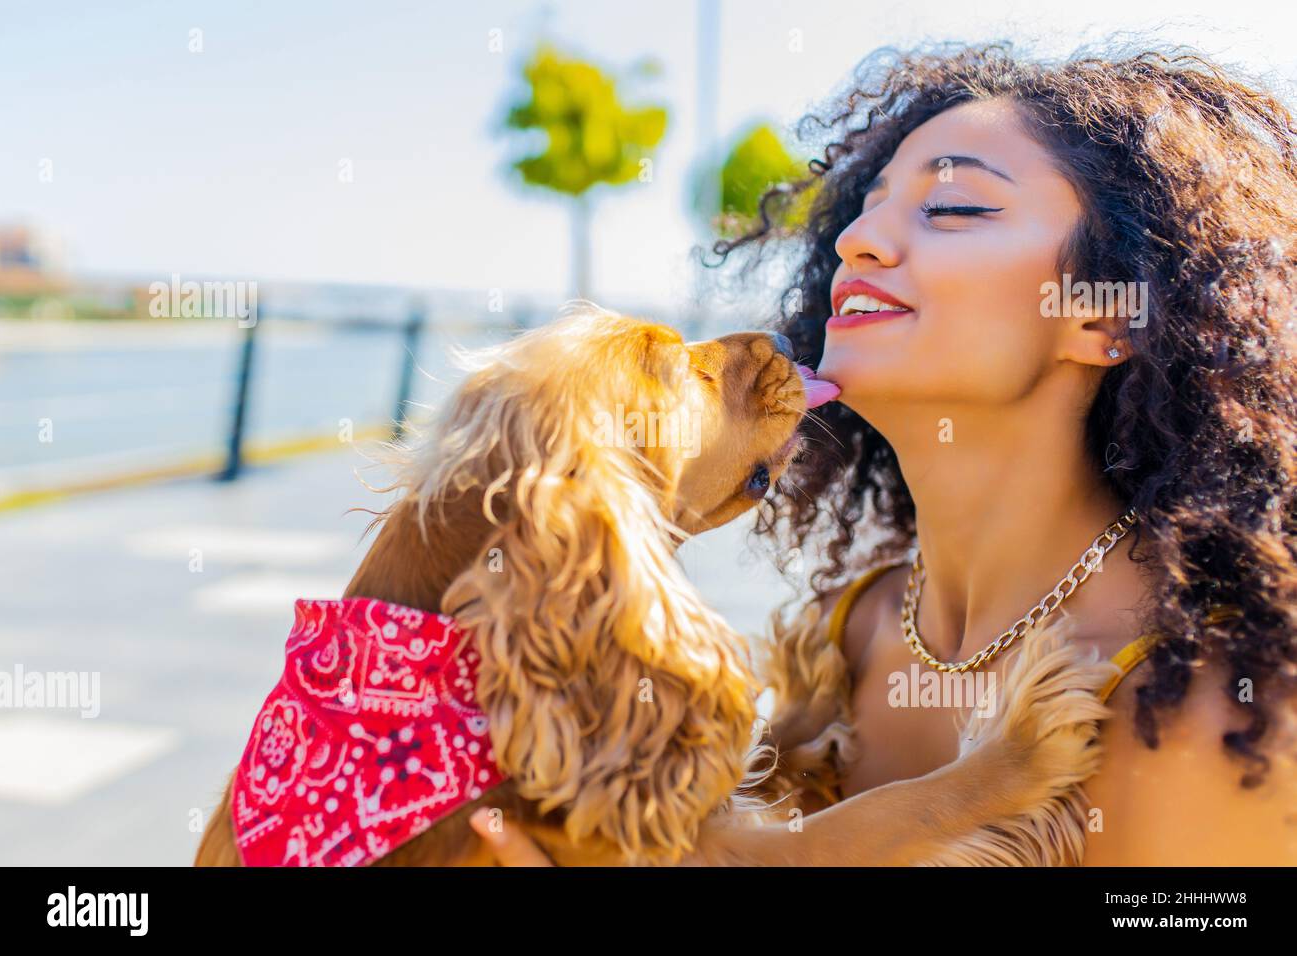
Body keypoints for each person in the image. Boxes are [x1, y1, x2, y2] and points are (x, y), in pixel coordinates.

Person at [476, 40, 1297, 865]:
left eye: (954, 208)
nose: (857, 241)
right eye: (865, 207)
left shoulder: (1204, 708)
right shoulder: (840, 641)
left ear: (1107, 316)